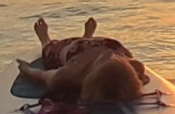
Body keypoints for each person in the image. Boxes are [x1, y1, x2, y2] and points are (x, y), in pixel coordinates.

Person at [16, 16, 147, 104]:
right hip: (110, 44)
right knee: (113, 52)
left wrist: (26, 69)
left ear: (92, 73)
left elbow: (42, 75)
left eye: (103, 60)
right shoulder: (134, 67)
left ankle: (45, 38)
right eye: (117, 60)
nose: (108, 53)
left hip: (73, 49)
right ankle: (88, 36)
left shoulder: (70, 74)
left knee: (50, 52)